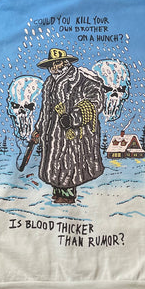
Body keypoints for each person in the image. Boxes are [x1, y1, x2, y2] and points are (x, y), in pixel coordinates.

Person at [32, 48, 105, 203]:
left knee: (69, 164)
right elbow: (45, 110)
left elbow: (95, 102)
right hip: (52, 133)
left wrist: (73, 118)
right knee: (54, 163)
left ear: (65, 62)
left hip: (75, 134)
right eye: (51, 64)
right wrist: (39, 128)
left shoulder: (82, 79)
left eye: (57, 63)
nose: (54, 67)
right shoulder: (49, 82)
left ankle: (67, 197)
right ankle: (58, 193)